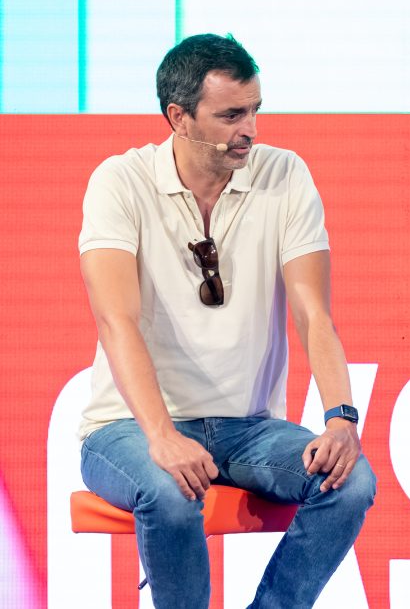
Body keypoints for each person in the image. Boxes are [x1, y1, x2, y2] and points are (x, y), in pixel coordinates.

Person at [77, 33, 376, 608]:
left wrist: (341, 418)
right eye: (231, 115)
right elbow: (117, 321)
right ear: (179, 117)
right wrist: (162, 436)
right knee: (169, 489)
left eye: (255, 110)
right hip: (127, 427)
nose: (251, 130)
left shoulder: (284, 175)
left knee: (352, 480)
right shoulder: (120, 181)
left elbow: (314, 314)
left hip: (246, 428)